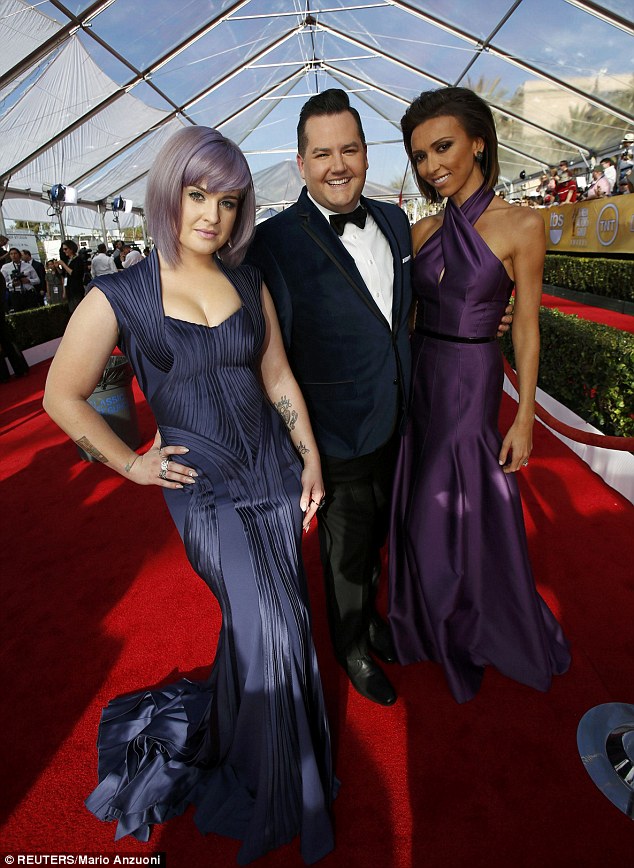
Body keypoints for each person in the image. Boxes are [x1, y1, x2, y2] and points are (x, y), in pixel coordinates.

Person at [43, 126, 335, 864]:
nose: (212, 214)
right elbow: (61, 396)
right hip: (202, 493)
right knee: (269, 627)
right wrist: (129, 465)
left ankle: (261, 748)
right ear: (169, 192)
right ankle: (278, 783)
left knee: (282, 621)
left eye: (229, 202)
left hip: (271, 475)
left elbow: (275, 378)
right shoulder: (119, 294)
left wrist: (309, 458)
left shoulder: (247, 282)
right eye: (198, 194)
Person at [388, 86, 571, 704]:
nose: (431, 165)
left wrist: (523, 419)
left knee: (462, 504)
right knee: (421, 507)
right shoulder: (418, 232)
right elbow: (399, 315)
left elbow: (525, 325)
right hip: (423, 376)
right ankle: (429, 617)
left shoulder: (523, 223)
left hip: (472, 379)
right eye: (419, 155)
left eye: (443, 147)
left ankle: (474, 623)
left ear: (479, 143)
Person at [248, 89, 413, 707]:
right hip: (330, 432)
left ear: (368, 154)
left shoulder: (395, 222)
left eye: (349, 149)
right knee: (343, 552)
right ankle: (351, 646)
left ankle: (370, 619)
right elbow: (260, 346)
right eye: (322, 154)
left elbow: (402, 313)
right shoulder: (272, 242)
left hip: (394, 419)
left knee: (377, 536)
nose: (337, 165)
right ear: (300, 163)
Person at [1, 247, 40, 311]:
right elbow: (3, 282)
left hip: (28, 292)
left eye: (15, 253)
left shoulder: (28, 266)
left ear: (19, 255)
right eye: (11, 254)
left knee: (32, 311)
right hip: (15, 293)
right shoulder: (5, 267)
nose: (13, 255)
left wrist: (28, 281)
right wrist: (12, 284)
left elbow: (37, 280)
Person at [54, 239, 85, 312]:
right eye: (63, 249)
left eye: (66, 249)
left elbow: (74, 273)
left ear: (71, 249)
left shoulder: (78, 260)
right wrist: (57, 267)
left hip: (76, 290)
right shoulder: (68, 261)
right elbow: (64, 274)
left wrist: (63, 265)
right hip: (69, 290)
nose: (64, 251)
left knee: (78, 310)